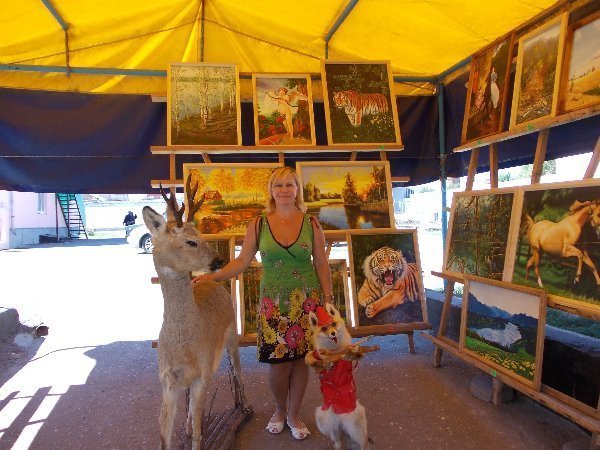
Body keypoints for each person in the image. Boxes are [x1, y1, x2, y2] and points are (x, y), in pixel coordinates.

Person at [192, 166, 333, 441]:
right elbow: (242, 261)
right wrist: (213, 276)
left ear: (297, 190)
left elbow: (321, 262)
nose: (284, 190)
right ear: (271, 191)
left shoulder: (312, 224)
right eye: (278, 185)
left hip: (307, 303)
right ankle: (280, 410)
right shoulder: (258, 224)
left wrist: (327, 301)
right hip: (274, 306)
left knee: (301, 362)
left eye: (289, 185)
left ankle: (294, 414)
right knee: (278, 365)